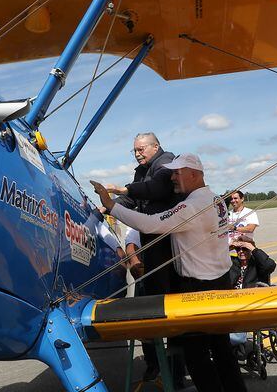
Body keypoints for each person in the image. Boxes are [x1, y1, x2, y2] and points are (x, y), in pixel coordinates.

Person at [91, 153, 247, 392]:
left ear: (194, 175)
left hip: (198, 288)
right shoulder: (216, 200)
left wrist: (111, 206)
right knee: (222, 349)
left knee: (196, 356)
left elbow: (150, 224)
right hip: (220, 282)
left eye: (177, 173)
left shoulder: (191, 206)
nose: (172, 177)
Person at [102, 132, 182, 381]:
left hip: (167, 249)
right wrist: (104, 206)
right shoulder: (141, 171)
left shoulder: (166, 162)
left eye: (140, 149)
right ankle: (153, 364)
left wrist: (121, 189)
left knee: (172, 312)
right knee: (146, 309)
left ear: (155, 146)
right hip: (149, 251)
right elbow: (129, 198)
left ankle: (177, 372)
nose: (137, 154)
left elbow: (156, 188)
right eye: (134, 151)